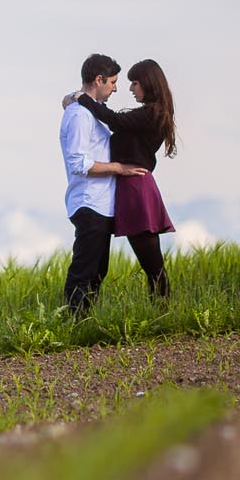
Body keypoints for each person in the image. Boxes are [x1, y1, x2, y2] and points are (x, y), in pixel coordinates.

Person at [66, 57, 178, 301]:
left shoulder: (151, 114)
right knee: (142, 262)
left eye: (134, 83)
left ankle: (163, 312)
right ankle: (162, 311)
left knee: (152, 263)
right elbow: (112, 119)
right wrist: (74, 100)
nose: (129, 88)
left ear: (148, 84)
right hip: (127, 187)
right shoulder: (146, 114)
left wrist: (80, 98)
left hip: (135, 186)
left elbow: (114, 120)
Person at [58, 53, 147, 313]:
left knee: (98, 270)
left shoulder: (91, 112)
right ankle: (73, 325)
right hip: (88, 203)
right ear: (99, 79)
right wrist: (119, 168)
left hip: (101, 204)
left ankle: (85, 322)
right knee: (84, 269)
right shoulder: (79, 116)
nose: (116, 88)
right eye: (112, 82)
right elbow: (79, 163)